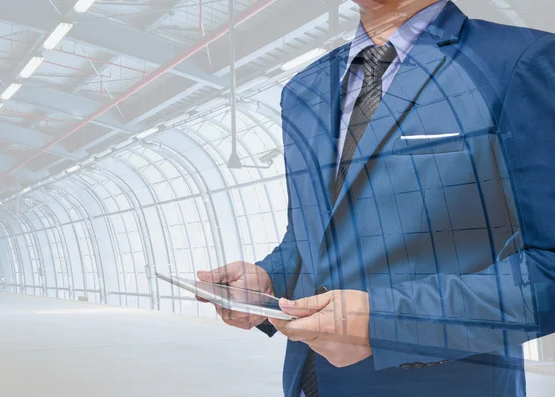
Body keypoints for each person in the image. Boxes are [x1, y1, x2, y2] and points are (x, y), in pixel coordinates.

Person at [198, 0, 555, 396]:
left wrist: (382, 322)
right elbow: (313, 235)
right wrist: (267, 279)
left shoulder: (519, 62)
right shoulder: (302, 91)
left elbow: (549, 266)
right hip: (310, 382)